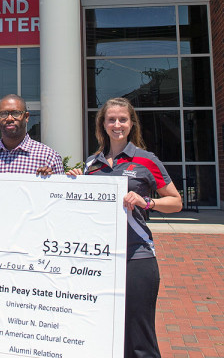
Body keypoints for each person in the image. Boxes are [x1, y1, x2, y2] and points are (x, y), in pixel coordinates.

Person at [67, 97, 182, 358]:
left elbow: (175, 202)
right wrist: (73, 182)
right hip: (99, 260)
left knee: (139, 339)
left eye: (122, 119)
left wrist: (147, 201)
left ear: (131, 124)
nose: (117, 124)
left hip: (136, 256)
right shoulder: (91, 164)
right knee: (106, 334)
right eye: (111, 119)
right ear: (102, 124)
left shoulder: (146, 160)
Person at [0, 94, 64, 175]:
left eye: (16, 113)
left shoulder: (49, 158)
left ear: (26, 117)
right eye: (4, 114)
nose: (9, 118)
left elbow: (60, 192)